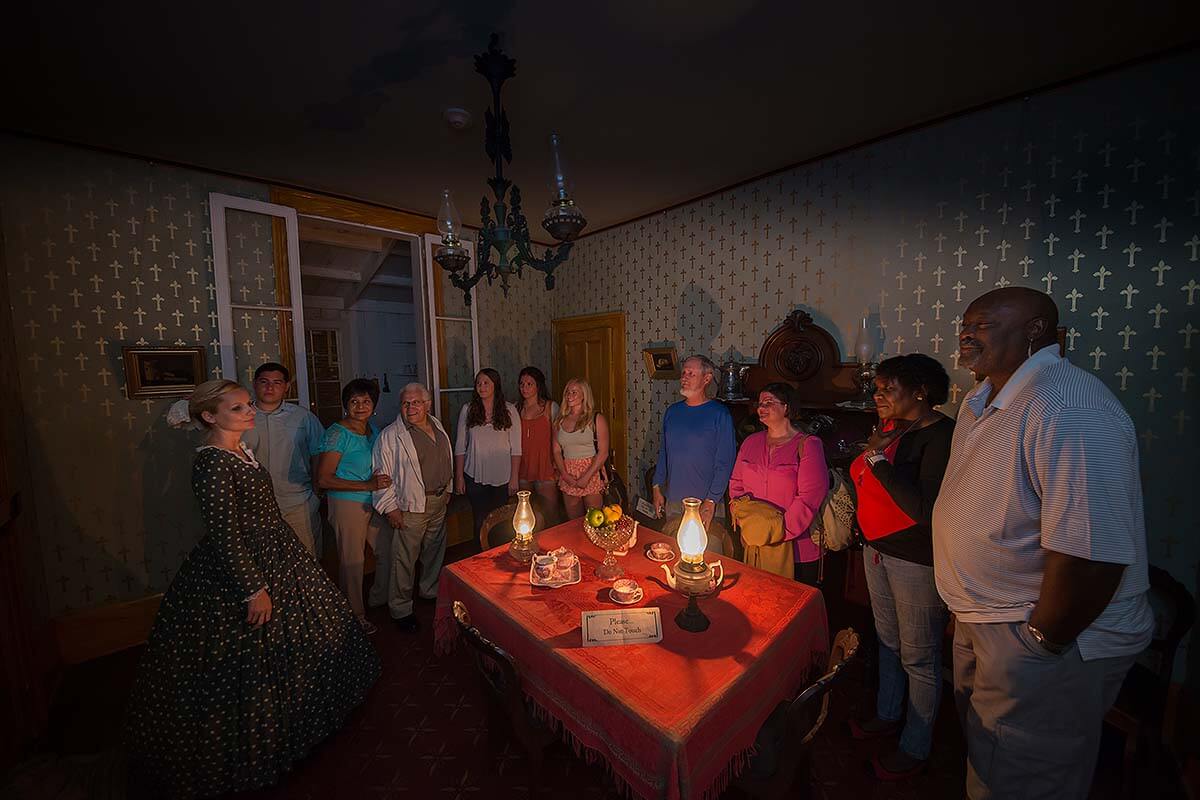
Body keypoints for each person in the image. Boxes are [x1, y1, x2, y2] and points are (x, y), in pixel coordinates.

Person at [933, 287, 1153, 800]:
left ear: (1036, 330)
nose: (966, 335)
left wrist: (1041, 643)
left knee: (1024, 778)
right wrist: (964, 603)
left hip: (1043, 637)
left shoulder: (1068, 404)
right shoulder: (981, 400)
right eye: (965, 324)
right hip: (987, 617)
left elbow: (1091, 555)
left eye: (983, 324)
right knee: (991, 762)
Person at [126, 380, 378, 798]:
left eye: (248, 406)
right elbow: (224, 534)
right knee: (247, 657)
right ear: (210, 416)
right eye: (239, 408)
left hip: (273, 548)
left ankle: (304, 717)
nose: (250, 412)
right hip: (247, 565)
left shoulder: (239, 451)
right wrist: (252, 589)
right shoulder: (210, 463)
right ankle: (257, 743)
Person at [846, 354, 954, 780]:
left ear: (920, 391)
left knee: (920, 658)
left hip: (915, 560)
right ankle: (888, 713)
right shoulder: (892, 430)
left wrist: (876, 460)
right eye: (877, 387)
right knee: (888, 642)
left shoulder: (941, 435)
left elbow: (923, 508)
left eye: (888, 388)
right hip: (878, 551)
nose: (878, 394)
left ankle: (916, 744)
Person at [372, 383, 454, 633]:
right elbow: (381, 473)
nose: (410, 407)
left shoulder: (436, 424)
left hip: (438, 501)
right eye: (406, 403)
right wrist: (390, 508)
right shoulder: (390, 435)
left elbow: (445, 457)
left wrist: (448, 489)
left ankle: (428, 590)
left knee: (434, 550)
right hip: (410, 505)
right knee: (404, 559)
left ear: (427, 405)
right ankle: (400, 608)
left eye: (416, 402)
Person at [728, 383, 828, 581]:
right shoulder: (751, 442)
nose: (761, 408)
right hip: (754, 541)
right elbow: (736, 485)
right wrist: (747, 523)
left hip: (797, 548)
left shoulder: (808, 445)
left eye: (769, 402)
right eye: (760, 403)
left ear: (786, 407)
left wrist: (777, 532)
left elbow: (809, 498)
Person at [316, 379, 392, 634]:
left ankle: (378, 598)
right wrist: (367, 486)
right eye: (354, 402)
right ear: (346, 405)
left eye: (366, 401)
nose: (360, 406)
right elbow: (324, 478)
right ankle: (353, 616)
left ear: (374, 405)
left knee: (386, 550)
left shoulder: (372, 428)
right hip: (347, 503)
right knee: (353, 561)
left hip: (374, 502)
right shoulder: (338, 433)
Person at [240, 362, 327, 557]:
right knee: (262, 561)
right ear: (254, 384)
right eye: (264, 382)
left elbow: (319, 453)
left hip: (298, 502)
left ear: (287, 386)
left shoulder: (303, 417)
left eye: (277, 382)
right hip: (254, 505)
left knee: (306, 559)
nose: (270, 387)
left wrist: (317, 492)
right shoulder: (240, 417)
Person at [651, 355, 736, 554]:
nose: (684, 377)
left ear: (706, 378)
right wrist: (656, 486)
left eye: (691, 373)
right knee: (675, 557)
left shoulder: (719, 414)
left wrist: (711, 500)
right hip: (674, 501)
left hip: (706, 502)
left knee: (708, 559)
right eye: (683, 373)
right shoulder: (673, 412)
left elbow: (725, 462)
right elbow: (664, 451)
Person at [455, 368, 522, 545]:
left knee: (499, 522)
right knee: (480, 521)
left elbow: (516, 448)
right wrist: (459, 476)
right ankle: (478, 559)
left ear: (495, 385)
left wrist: (514, 478)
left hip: (502, 476)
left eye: (486, 383)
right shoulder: (467, 410)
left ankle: (498, 559)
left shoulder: (509, 410)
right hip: (474, 475)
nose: (482, 386)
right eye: (478, 383)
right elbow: (460, 446)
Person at [552, 377, 610, 520]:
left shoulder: (596, 419)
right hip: (568, 472)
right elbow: (556, 450)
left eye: (574, 392)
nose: (569, 396)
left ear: (584, 395)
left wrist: (586, 477)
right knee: (574, 522)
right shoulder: (559, 420)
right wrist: (564, 474)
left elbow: (603, 453)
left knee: (595, 521)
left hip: (591, 471)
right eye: (567, 392)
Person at [516, 366, 561, 519]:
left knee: (550, 513)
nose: (524, 388)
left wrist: (558, 465)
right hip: (523, 466)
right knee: (525, 513)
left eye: (529, 384)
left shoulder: (550, 407)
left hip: (545, 466)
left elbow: (560, 438)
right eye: (522, 384)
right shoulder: (516, 409)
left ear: (538, 386)